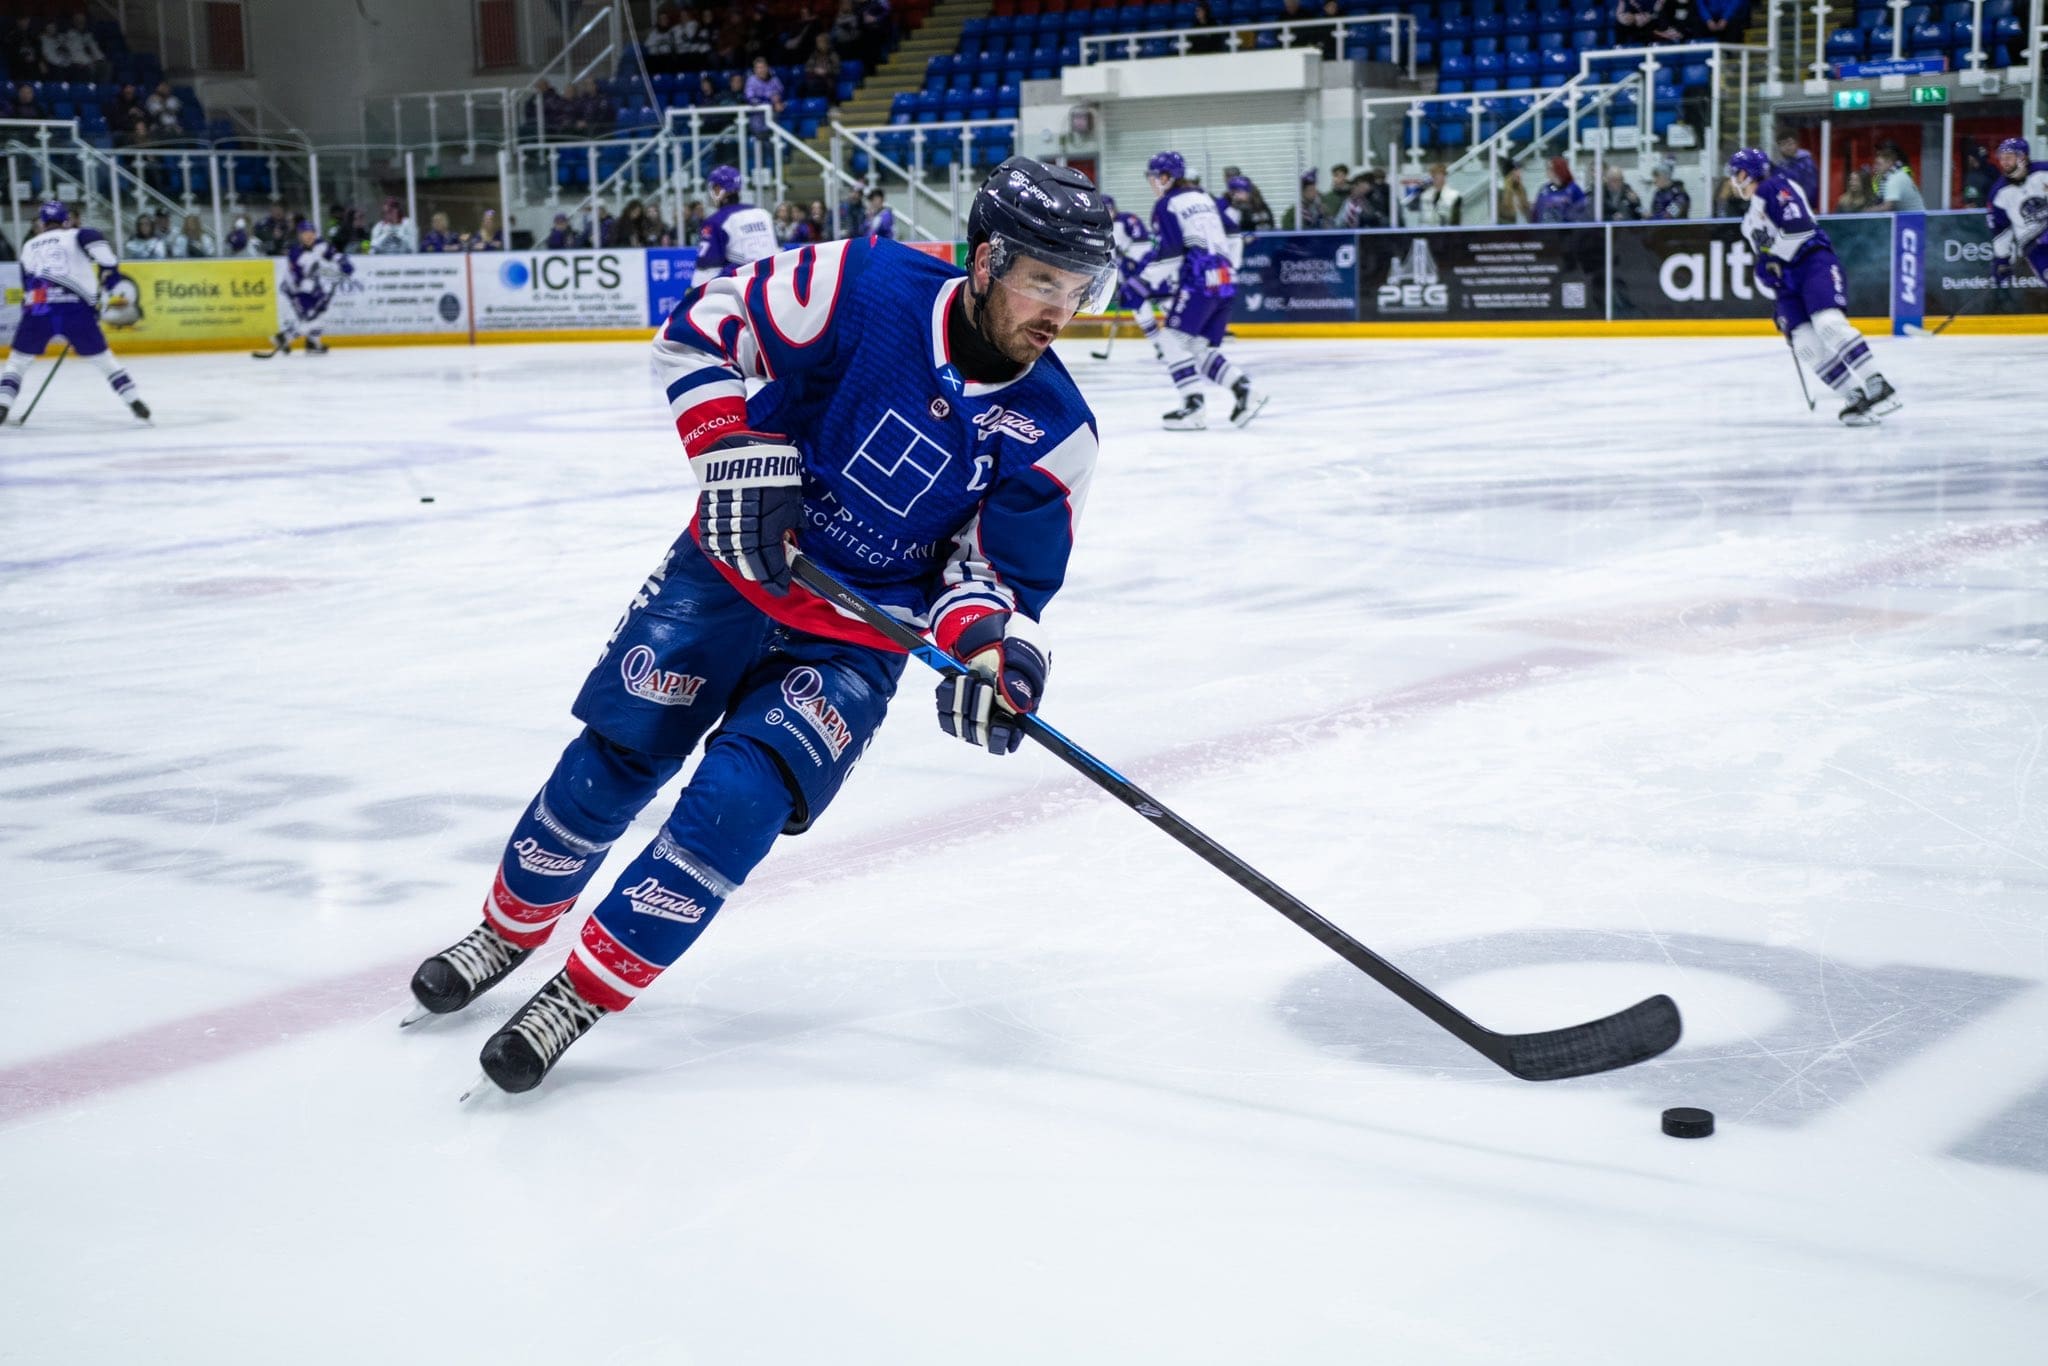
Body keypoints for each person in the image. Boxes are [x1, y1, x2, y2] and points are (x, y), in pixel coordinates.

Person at [405, 157, 1118, 1095]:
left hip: (854, 638)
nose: (1060, 311)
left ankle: (579, 992)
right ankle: (507, 932)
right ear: (985, 262)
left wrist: (990, 653)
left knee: (736, 806)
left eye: (1080, 289)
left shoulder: (1059, 431)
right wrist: (734, 450)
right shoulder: (866, 283)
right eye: (1042, 281)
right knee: (611, 760)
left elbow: (988, 577)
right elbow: (702, 330)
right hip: (730, 571)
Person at [1727, 147, 1898, 425]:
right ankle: (1854, 397)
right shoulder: (1748, 221)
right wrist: (1767, 274)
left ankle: (1877, 383)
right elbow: (1766, 259)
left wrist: (1772, 257)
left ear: (1748, 173)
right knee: (1804, 342)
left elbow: (1800, 228)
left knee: (1828, 323)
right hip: (1788, 281)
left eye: (1738, 173)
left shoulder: (1776, 187)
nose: (1735, 181)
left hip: (1812, 262)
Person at [1135, 150, 1264, 431]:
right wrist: (1231, 265)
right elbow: (1233, 233)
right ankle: (1243, 389)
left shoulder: (1166, 204)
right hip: (1225, 277)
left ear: (1167, 178)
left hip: (1199, 278)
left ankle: (1193, 406)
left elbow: (1170, 253)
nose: (1152, 182)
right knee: (1196, 346)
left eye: (1154, 177)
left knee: (1170, 341)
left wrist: (1142, 282)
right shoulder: (1206, 198)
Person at [0, 202, 149, 424]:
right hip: (75, 308)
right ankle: (135, 402)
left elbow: (28, 286)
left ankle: (3, 405)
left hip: (39, 308)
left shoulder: (29, 245)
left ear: (41, 224)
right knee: (103, 360)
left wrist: (39, 310)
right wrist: (97, 298)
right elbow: (108, 262)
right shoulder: (81, 234)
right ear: (67, 220)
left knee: (18, 361)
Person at [259, 219, 354, 358]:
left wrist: (343, 261)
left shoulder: (321, 244)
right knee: (310, 317)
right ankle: (284, 337)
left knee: (321, 311)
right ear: (299, 235)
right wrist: (309, 290)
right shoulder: (295, 252)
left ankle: (311, 342)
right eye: (305, 233)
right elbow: (297, 277)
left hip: (312, 284)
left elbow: (333, 254)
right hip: (295, 289)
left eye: (311, 233)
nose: (309, 236)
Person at [690, 164, 779, 286]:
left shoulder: (715, 221)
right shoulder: (763, 214)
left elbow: (706, 268)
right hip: (772, 284)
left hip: (741, 290)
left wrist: (694, 293)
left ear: (718, 189)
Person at [1105, 193, 1166, 360]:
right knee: (1139, 308)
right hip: (1132, 272)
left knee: (1164, 302)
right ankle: (1160, 345)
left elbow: (1143, 244)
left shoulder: (1124, 221)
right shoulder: (1105, 227)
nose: (1108, 213)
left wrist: (1133, 262)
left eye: (1110, 209)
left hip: (1144, 269)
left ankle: (1182, 338)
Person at [1986, 137, 2048, 290]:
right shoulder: (1998, 194)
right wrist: (2002, 260)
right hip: (2034, 247)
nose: (2004, 162)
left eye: (2009, 157)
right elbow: (2001, 229)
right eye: (2002, 158)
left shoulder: (2044, 171)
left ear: (2022, 157)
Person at [1872, 143, 1925, 212]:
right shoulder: (1887, 176)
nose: (1875, 167)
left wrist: (1863, 212)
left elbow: (1887, 207)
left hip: (1914, 219)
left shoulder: (1895, 178)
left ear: (1889, 162)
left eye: (1879, 164)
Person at [1533, 157, 1589, 222]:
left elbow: (1583, 212)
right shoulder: (1544, 190)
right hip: (1546, 229)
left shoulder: (1574, 189)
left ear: (1559, 169)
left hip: (1567, 230)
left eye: (1550, 169)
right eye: (1547, 168)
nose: (1547, 172)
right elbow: (1536, 213)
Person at [1772, 133, 1819, 208]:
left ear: (1797, 143)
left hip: (1805, 208)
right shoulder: (1780, 167)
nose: (1787, 147)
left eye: (1790, 143)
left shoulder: (1806, 163)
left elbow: (1810, 189)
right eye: (1783, 144)